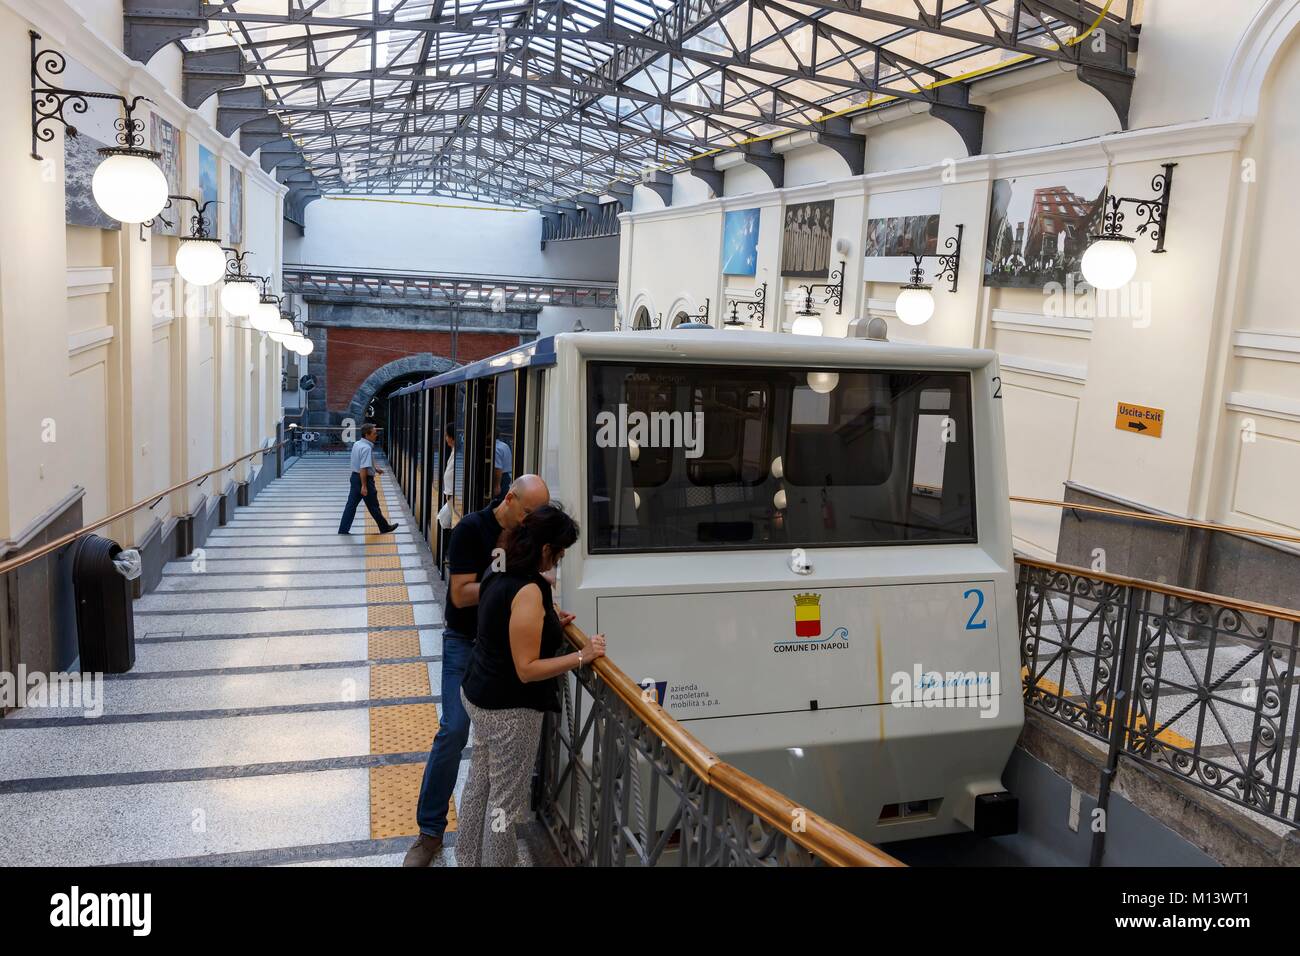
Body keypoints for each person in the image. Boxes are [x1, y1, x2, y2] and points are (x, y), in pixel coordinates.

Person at [402, 473, 552, 866]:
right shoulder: (472, 528)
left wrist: (546, 614)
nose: (533, 521)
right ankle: (429, 832)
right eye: (531, 512)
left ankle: (476, 849)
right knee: (453, 731)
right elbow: (460, 594)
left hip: (501, 655)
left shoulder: (525, 534)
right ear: (511, 499)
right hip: (465, 643)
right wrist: (510, 589)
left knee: (489, 765)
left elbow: (535, 586)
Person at [456, 504, 606, 867]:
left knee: (480, 783)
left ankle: (466, 858)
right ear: (544, 549)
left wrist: (550, 620)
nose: (559, 560)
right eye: (559, 553)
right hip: (509, 711)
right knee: (504, 805)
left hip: (478, 692)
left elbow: (505, 620)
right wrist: (582, 655)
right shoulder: (528, 590)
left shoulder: (500, 564)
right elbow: (527, 668)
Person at [337, 423, 398, 535]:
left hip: (355, 478)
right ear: (367, 434)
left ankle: (343, 529)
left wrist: (375, 468)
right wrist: (364, 486)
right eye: (374, 433)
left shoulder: (358, 444)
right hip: (363, 479)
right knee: (373, 505)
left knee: (351, 505)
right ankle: (384, 527)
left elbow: (364, 461)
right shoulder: (366, 448)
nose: (376, 435)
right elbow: (363, 468)